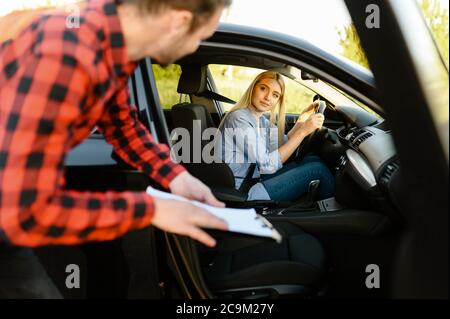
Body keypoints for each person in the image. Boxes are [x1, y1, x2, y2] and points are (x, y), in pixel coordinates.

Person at [0, 0, 232, 298]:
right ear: (179, 21)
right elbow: (27, 212)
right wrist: (152, 209)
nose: (194, 47)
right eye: (199, 37)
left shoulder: (110, 43)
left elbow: (121, 123)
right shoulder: (68, 55)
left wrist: (177, 177)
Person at [217, 70, 335, 201]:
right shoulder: (239, 119)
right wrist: (303, 132)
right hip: (243, 190)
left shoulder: (260, 120)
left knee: (312, 160)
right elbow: (267, 165)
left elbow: (283, 143)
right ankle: (337, 216)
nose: (268, 97)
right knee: (317, 170)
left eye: (275, 95)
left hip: (254, 178)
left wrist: (302, 120)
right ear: (253, 88)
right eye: (263, 89)